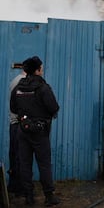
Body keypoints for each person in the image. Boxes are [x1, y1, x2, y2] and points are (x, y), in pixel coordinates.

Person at [10, 56, 60, 206]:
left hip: (23, 130)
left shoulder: (18, 87)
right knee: (44, 164)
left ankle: (29, 197)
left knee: (25, 164)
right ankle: (49, 197)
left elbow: (13, 108)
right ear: (37, 70)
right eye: (41, 68)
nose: (42, 70)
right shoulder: (43, 87)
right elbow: (54, 108)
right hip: (39, 132)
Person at [7, 69, 26, 197]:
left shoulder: (14, 81)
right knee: (20, 156)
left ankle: (13, 186)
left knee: (14, 155)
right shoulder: (22, 83)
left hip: (13, 124)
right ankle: (19, 188)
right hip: (18, 124)